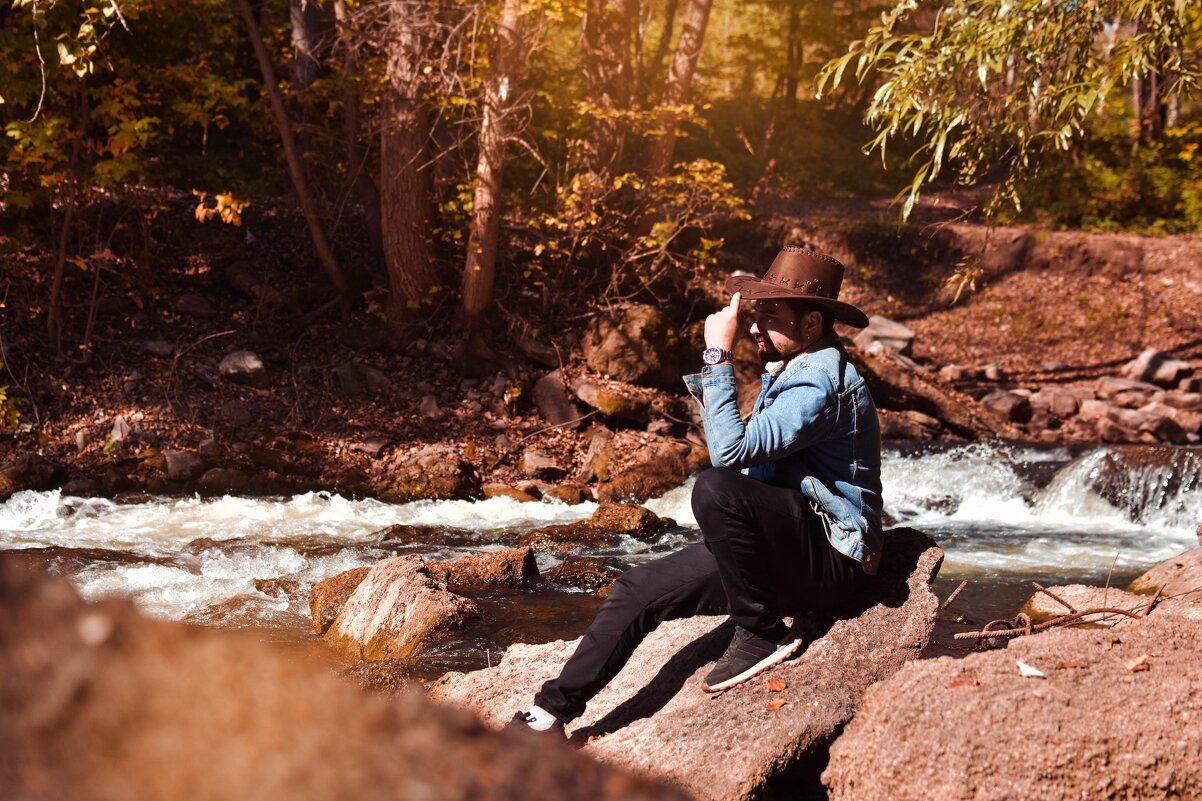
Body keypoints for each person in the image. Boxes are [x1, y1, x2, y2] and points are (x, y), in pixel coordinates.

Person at [508, 246, 883, 735]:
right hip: (785, 545)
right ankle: (549, 714)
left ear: (811, 325)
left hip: (833, 559)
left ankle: (762, 632)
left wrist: (717, 356)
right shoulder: (794, 367)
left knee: (714, 490)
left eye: (770, 315)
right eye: (755, 313)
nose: (753, 327)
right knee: (637, 589)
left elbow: (729, 456)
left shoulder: (819, 380)